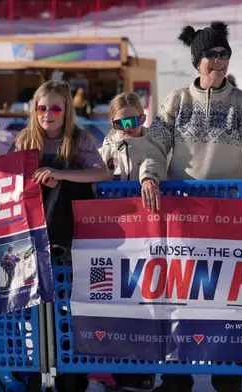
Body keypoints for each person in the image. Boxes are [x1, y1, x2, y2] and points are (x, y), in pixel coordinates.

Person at [146, 21, 242, 392]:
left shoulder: (241, 104)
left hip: (228, 217)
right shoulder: (176, 101)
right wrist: (150, 176)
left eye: (224, 54)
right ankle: (177, 377)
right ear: (198, 61)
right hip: (183, 217)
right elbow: (155, 146)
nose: (220, 61)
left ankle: (228, 375)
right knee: (180, 295)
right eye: (212, 55)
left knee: (229, 296)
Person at [92, 92, 166, 392]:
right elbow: (94, 177)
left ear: (143, 117)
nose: (128, 125)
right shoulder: (106, 147)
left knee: (146, 299)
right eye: (121, 121)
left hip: (148, 233)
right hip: (116, 234)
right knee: (116, 300)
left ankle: (143, 370)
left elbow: (159, 164)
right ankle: (114, 368)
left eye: (134, 119)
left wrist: (150, 178)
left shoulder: (153, 143)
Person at [10, 81, 110, 256]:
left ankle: (56, 247)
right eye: (42, 109)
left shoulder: (78, 139)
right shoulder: (25, 140)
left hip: (69, 218)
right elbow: (11, 176)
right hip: (33, 218)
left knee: (60, 184)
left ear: (66, 112)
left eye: (55, 109)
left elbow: (102, 173)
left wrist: (60, 175)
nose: (48, 115)